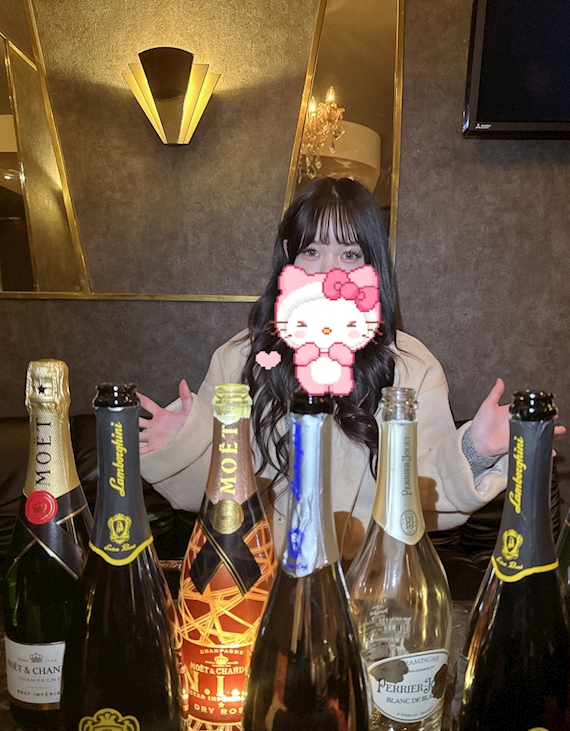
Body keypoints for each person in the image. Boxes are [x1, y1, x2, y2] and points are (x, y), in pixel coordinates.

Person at [139, 177, 513, 562]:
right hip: (260, 578)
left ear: (371, 262)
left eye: (349, 254)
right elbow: (214, 496)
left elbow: (423, 494)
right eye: (313, 250)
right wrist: (183, 446)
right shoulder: (238, 358)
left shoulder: (411, 366)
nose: (329, 272)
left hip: (368, 579)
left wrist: (475, 450)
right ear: (290, 254)